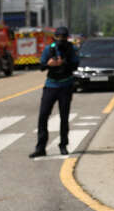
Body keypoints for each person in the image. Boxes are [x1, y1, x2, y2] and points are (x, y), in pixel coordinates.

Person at [29, 26, 78, 158]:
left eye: (63, 37)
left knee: (64, 117)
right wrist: (49, 64)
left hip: (66, 86)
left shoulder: (71, 49)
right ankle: (41, 147)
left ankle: (63, 145)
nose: (61, 40)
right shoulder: (49, 49)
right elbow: (41, 67)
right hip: (51, 86)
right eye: (58, 37)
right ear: (55, 37)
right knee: (43, 116)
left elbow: (76, 66)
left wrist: (64, 63)